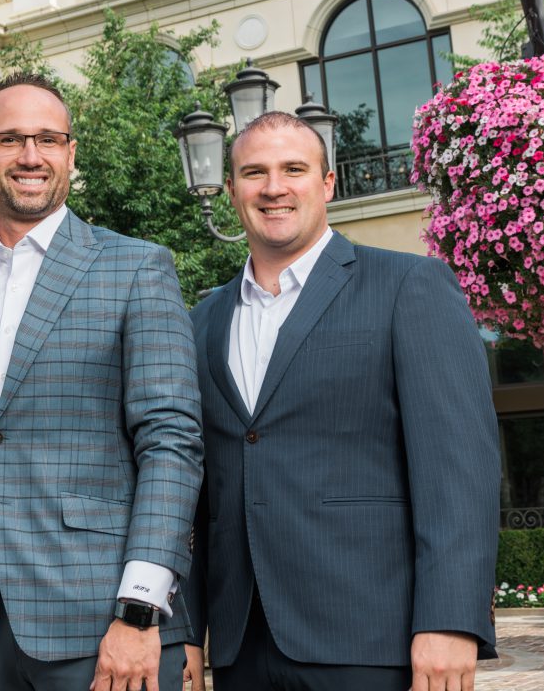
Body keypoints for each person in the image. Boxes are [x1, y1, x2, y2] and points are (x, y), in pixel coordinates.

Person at [0, 73, 203, 691]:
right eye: (9, 139)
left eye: (49, 139)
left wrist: (140, 608)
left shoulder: (136, 267)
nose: (31, 156)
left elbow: (170, 444)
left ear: (71, 153)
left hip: (103, 622)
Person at [183, 111, 499, 691]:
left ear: (328, 184)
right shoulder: (201, 321)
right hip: (240, 646)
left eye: (293, 169)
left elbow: (459, 470)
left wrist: (452, 619)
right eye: (254, 172)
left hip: (372, 637)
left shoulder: (410, 287)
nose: (273, 187)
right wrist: (184, 627)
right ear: (231, 191)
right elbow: (192, 492)